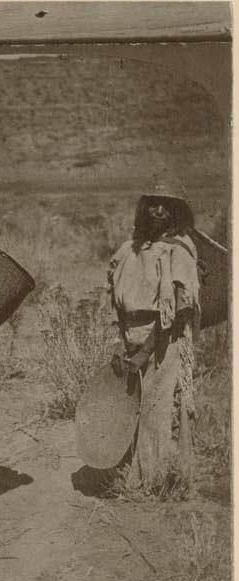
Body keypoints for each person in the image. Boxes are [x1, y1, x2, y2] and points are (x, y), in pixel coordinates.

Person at [107, 181, 200, 497]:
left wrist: (144, 353)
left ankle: (160, 483)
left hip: (164, 344)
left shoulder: (179, 250)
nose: (157, 209)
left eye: (166, 204)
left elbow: (171, 314)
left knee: (156, 412)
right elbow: (115, 303)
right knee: (131, 408)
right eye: (153, 203)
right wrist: (122, 343)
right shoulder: (129, 250)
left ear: (176, 211)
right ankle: (133, 477)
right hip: (132, 339)